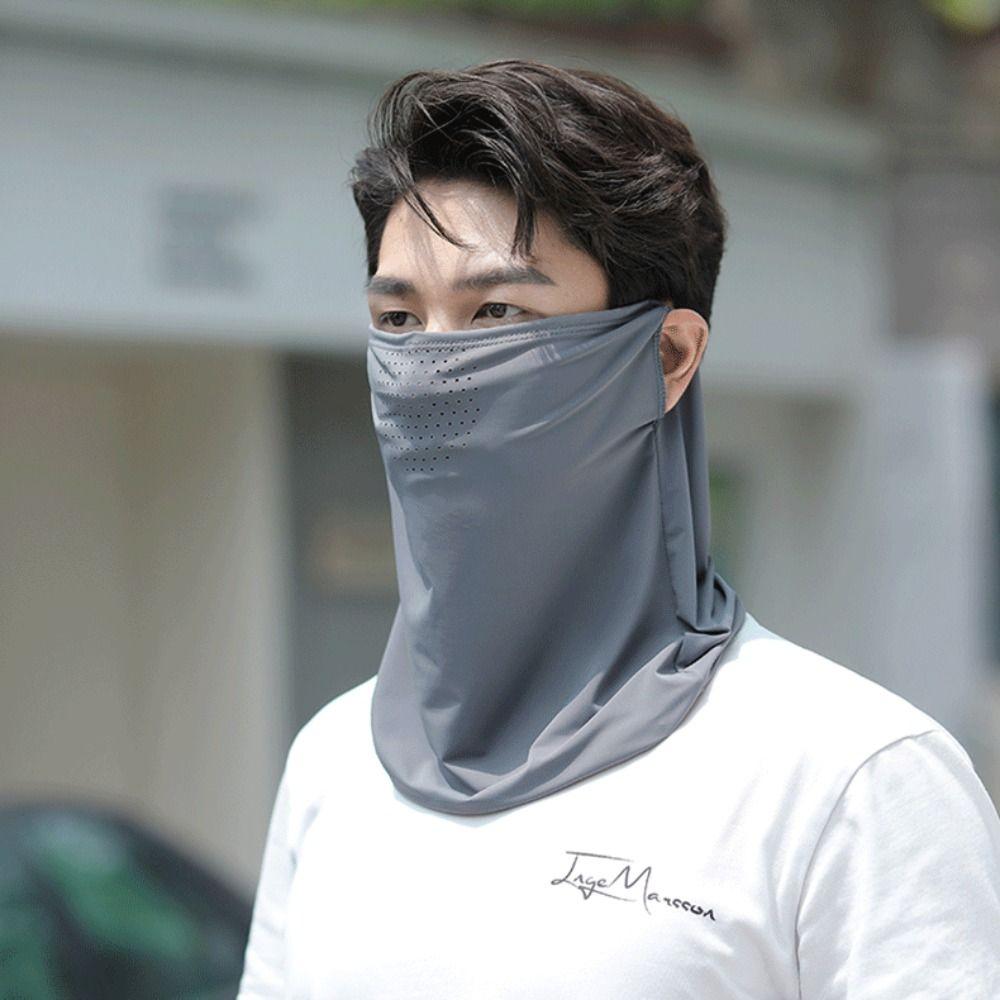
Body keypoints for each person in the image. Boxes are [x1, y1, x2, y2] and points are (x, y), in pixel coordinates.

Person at [238, 60, 1000, 998]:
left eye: (497, 312)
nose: (430, 368)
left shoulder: (852, 778)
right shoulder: (332, 762)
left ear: (667, 355)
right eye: (398, 318)